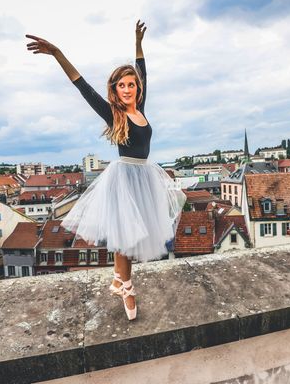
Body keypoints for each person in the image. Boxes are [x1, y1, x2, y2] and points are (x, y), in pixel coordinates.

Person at [26, 20, 186, 320]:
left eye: (132, 84)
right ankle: (127, 287)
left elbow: (142, 69)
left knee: (133, 235)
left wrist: (138, 43)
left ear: (137, 88)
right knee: (125, 237)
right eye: (122, 85)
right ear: (115, 90)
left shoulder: (141, 109)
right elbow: (82, 86)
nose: (128, 88)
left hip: (145, 176)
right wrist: (58, 53)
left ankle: (118, 279)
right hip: (123, 178)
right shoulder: (114, 115)